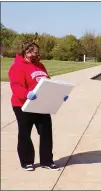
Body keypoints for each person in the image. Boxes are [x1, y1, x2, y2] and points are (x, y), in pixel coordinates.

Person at [8, 41, 68, 171]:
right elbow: (15, 85)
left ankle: (46, 161)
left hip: (41, 104)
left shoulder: (40, 66)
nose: (37, 54)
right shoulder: (17, 66)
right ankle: (26, 161)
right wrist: (26, 94)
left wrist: (60, 94)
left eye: (37, 52)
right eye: (34, 52)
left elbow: (48, 83)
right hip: (23, 105)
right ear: (27, 52)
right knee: (25, 133)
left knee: (46, 132)